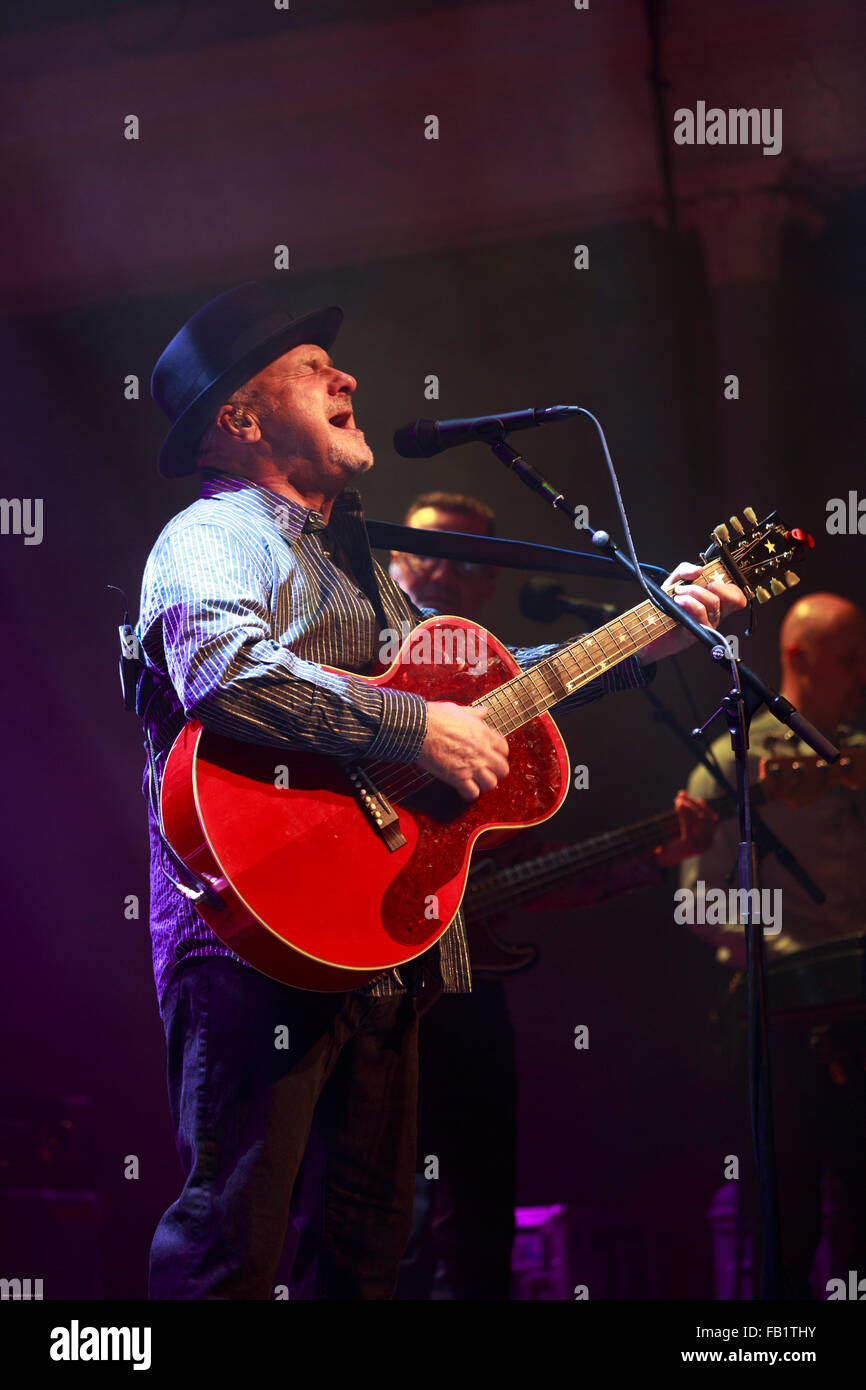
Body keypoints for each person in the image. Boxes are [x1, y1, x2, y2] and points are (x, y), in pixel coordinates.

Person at [136, 279, 745, 1300]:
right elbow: (228, 673)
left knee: (371, 1252)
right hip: (255, 924)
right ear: (238, 419)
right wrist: (415, 724)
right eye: (309, 368)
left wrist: (655, 629)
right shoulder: (216, 533)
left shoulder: (356, 559)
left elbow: (495, 688)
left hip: (383, 930)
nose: (347, 376)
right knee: (231, 1244)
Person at [382, 492, 720, 1299]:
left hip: (467, 986)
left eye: (469, 560)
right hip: (374, 975)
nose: (445, 572)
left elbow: (523, 868)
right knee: (390, 1209)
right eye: (427, 551)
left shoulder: (504, 677)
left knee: (481, 1206)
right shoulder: (360, 658)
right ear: (393, 560)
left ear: (491, 584)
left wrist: (651, 857)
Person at [679, 591, 866, 1298]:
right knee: (786, 1207)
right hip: (786, 1017)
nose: (861, 674)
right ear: (795, 658)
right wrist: (777, 949)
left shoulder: (858, 749)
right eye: (849, 660)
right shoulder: (735, 763)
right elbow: (697, 900)